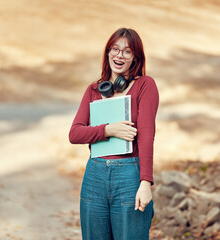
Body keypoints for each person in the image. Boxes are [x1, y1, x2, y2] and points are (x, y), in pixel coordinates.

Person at [68, 28, 159, 240]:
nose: (119, 55)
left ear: (135, 57)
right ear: (108, 52)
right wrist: (108, 130)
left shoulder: (145, 85)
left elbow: (146, 136)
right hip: (94, 175)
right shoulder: (93, 90)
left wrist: (145, 183)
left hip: (129, 176)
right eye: (115, 49)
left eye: (127, 51)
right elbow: (75, 133)